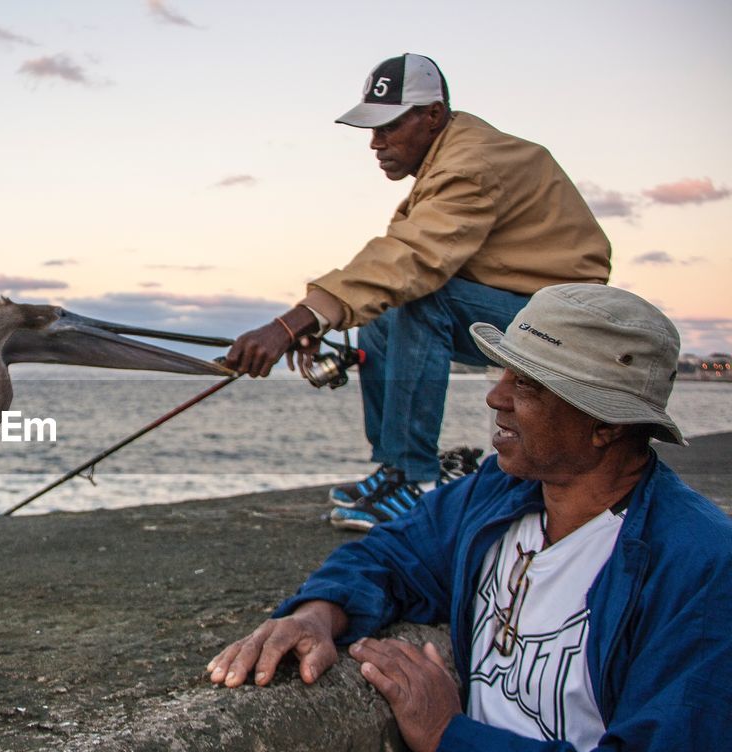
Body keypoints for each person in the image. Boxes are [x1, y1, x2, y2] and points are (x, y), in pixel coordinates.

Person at [207, 285, 732, 752]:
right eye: (502, 372)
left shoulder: (700, 570)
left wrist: (448, 739)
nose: (495, 398)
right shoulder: (499, 493)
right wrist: (317, 614)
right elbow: (393, 554)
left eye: (526, 384)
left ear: (606, 423)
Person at [224, 54, 611, 531]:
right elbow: (396, 265)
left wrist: (294, 323)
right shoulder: (450, 156)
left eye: (387, 126)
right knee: (386, 312)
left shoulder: (470, 165)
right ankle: (393, 469)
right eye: (371, 128)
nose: (375, 142)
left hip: (566, 326)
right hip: (524, 307)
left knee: (419, 298)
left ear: (432, 116)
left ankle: (415, 481)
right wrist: (324, 316)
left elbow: (412, 260)